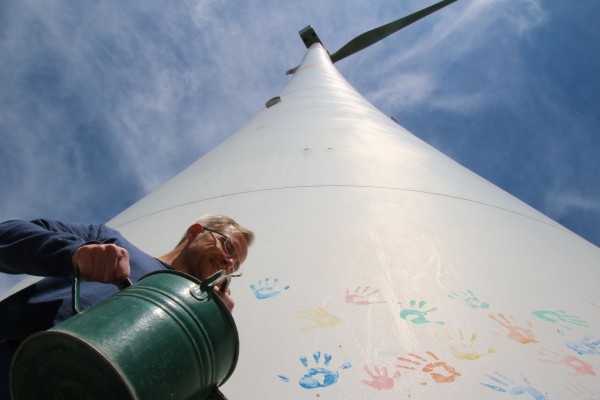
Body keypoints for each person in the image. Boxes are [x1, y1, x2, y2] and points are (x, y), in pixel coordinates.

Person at [0, 215, 254, 399]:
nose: (228, 262)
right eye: (228, 246)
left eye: (235, 266)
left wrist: (213, 325)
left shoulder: (193, 323)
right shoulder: (111, 243)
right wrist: (75, 253)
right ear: (196, 230)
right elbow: (9, 233)